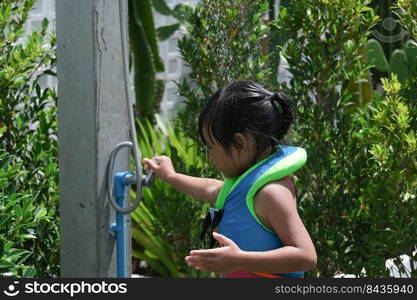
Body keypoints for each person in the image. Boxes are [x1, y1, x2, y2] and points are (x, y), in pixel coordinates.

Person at [143, 80, 316, 278]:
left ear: (240, 143)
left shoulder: (272, 194)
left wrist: (239, 259)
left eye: (211, 146)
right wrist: (170, 176)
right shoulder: (245, 188)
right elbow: (211, 189)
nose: (210, 156)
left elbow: (306, 256)